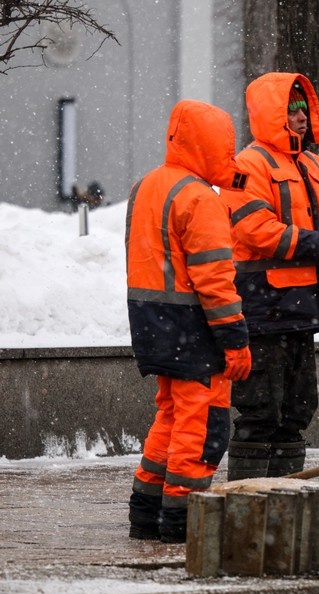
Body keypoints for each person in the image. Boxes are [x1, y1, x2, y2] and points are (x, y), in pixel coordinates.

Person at [222, 72, 319, 480]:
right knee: (260, 411)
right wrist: (317, 245)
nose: (302, 118)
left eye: (304, 109)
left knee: (296, 410)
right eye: (292, 110)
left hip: (301, 309)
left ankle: (284, 495)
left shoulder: (314, 163)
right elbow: (254, 229)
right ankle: (250, 499)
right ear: (272, 115)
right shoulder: (248, 165)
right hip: (263, 309)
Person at [126, 99, 252, 543]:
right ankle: (182, 520)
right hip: (194, 330)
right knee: (201, 428)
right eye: (226, 148)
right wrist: (235, 340)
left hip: (153, 324)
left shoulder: (147, 186)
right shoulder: (199, 198)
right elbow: (215, 279)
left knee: (171, 417)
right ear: (210, 146)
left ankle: (146, 512)